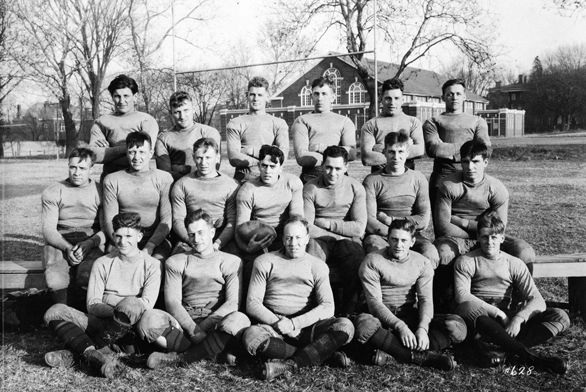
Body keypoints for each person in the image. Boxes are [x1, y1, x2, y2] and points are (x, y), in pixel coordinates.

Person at [42, 212, 161, 378]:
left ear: (139, 236)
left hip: (131, 330)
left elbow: (146, 304)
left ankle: (79, 353)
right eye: (118, 236)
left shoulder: (152, 265)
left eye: (129, 236)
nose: (123, 241)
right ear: (112, 236)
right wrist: (116, 313)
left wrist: (122, 312)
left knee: (131, 304)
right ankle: (94, 356)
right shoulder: (102, 263)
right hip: (102, 323)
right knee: (54, 311)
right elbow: (92, 304)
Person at [454, 211, 570, 373]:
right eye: (485, 237)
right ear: (478, 237)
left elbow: (537, 300)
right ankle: (529, 356)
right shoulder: (466, 261)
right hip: (482, 318)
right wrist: (498, 314)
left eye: (494, 237)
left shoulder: (514, 263)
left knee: (560, 316)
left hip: (509, 322)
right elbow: (462, 296)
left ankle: (503, 350)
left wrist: (518, 319)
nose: (489, 242)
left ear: (502, 238)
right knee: (466, 308)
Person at [242, 217, 355, 380]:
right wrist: (280, 324)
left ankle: (290, 364)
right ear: (282, 239)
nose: (293, 243)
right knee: (252, 337)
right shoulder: (265, 261)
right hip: (274, 326)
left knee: (345, 326)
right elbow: (253, 304)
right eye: (288, 238)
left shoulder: (317, 266)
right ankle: (318, 354)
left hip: (307, 327)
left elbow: (328, 306)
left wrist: (295, 324)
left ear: (307, 239)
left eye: (298, 238)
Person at [137, 209, 250, 369]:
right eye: (191, 235)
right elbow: (172, 302)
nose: (196, 239)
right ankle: (212, 352)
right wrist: (192, 329)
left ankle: (182, 358)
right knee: (148, 319)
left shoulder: (230, 261)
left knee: (239, 320)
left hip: (217, 323)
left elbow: (232, 303)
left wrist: (202, 329)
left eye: (201, 233)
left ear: (212, 232)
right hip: (185, 323)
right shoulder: (176, 261)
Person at [433, 139, 535, 312]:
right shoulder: (448, 185)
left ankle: (519, 302)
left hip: (488, 235)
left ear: (485, 162)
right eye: (465, 162)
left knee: (524, 251)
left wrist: (462, 221)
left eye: (475, 162)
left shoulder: (496, 188)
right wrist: (476, 233)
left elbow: (500, 226)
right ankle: (443, 306)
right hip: (457, 237)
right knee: (444, 252)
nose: (470, 167)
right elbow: (443, 226)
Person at [353, 219, 466, 371]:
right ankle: (421, 357)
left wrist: (423, 328)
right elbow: (374, 304)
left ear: (412, 241)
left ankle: (392, 352)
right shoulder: (372, 261)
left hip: (409, 314)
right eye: (394, 239)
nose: (398, 245)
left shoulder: (422, 262)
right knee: (365, 326)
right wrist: (400, 327)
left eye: (403, 240)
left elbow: (426, 300)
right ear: (387, 239)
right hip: (382, 318)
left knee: (458, 327)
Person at [303, 145, 366, 315]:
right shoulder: (311, 187)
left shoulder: (355, 187)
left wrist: (328, 224)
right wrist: (334, 236)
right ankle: (313, 310)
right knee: (312, 254)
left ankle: (349, 312)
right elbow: (307, 226)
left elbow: (359, 228)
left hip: (345, 239)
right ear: (322, 165)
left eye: (338, 168)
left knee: (355, 254)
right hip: (320, 238)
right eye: (329, 167)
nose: (332, 173)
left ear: (346, 167)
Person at [362, 131, 439, 267]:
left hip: (411, 234)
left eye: (401, 152)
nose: (396, 157)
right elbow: (370, 220)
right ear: (384, 152)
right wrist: (393, 236)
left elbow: (423, 220)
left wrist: (401, 232)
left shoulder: (418, 178)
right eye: (391, 152)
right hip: (381, 235)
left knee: (430, 253)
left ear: (407, 153)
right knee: (375, 250)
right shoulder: (372, 180)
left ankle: (422, 287)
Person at [41, 148, 105, 306]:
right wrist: (68, 248)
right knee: (55, 279)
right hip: (61, 239)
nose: (77, 172)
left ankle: (84, 314)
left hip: (90, 238)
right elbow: (48, 230)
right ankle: (62, 313)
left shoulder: (100, 191)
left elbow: (106, 230)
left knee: (88, 274)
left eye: (82, 168)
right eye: (73, 167)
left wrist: (89, 244)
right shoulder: (54, 190)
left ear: (91, 169)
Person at [103, 132, 173, 260]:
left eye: (142, 152)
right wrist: (122, 242)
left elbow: (166, 219)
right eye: (132, 152)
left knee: (156, 265)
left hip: (154, 238)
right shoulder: (112, 180)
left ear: (151, 153)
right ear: (126, 153)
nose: (136, 157)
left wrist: (150, 246)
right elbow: (109, 220)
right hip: (122, 237)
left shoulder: (163, 178)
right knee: (115, 264)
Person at [422, 78, 490, 207]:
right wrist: (469, 148)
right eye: (450, 94)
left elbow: (485, 149)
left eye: (458, 94)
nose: (454, 97)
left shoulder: (477, 121)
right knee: (443, 223)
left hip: (472, 177)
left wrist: (449, 152)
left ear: (464, 96)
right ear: (443, 97)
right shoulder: (433, 121)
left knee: (471, 221)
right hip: (442, 177)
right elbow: (434, 149)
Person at [234, 144, 303, 263]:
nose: (267, 171)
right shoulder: (247, 190)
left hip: (285, 232)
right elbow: (240, 228)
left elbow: (297, 215)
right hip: (260, 235)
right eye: (264, 166)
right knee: (253, 263)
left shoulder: (292, 182)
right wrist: (247, 248)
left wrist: (294, 237)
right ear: (258, 165)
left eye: (272, 166)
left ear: (281, 167)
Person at [171, 138, 239, 254]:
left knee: (235, 262)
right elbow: (178, 220)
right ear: (193, 158)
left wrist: (217, 244)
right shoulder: (182, 184)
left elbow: (232, 221)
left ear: (217, 157)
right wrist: (193, 241)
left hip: (221, 239)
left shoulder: (231, 185)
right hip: (191, 239)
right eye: (199, 158)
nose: (203, 163)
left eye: (208, 158)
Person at [88, 74, 159, 177]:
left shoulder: (146, 120)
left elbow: (144, 153)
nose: (121, 101)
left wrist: (111, 150)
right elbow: (94, 155)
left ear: (135, 97)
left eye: (126, 96)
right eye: (117, 96)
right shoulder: (101, 121)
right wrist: (131, 147)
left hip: (140, 178)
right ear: (112, 97)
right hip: (110, 178)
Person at [291, 77, 357, 183]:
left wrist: (321, 149)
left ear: (333, 97)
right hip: (311, 176)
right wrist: (337, 154)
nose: (320, 98)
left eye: (324, 94)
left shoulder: (344, 121)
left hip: (339, 176)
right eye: (316, 94)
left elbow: (352, 153)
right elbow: (302, 157)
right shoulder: (302, 121)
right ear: (311, 96)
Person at [226, 76, 289, 183]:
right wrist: (265, 159)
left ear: (267, 97)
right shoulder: (235, 123)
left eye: (260, 95)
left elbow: (282, 155)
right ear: (247, 96)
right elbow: (233, 157)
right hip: (244, 179)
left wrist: (250, 151)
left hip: (271, 178)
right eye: (252, 94)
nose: (256, 98)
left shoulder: (279, 123)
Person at [360, 78, 424, 172]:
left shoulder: (413, 122)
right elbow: (367, 158)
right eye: (388, 98)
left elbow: (419, 151)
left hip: (406, 178)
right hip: (379, 178)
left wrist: (382, 149)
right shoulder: (370, 125)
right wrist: (405, 146)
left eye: (396, 98)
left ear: (402, 99)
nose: (392, 103)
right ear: (381, 99)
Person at [155, 91, 222, 181]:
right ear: (171, 113)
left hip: (207, 185)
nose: (182, 116)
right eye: (177, 112)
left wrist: (180, 169)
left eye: (186, 110)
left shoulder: (209, 132)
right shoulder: (163, 139)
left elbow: (214, 167)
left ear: (193, 109)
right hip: (176, 187)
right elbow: (164, 174)